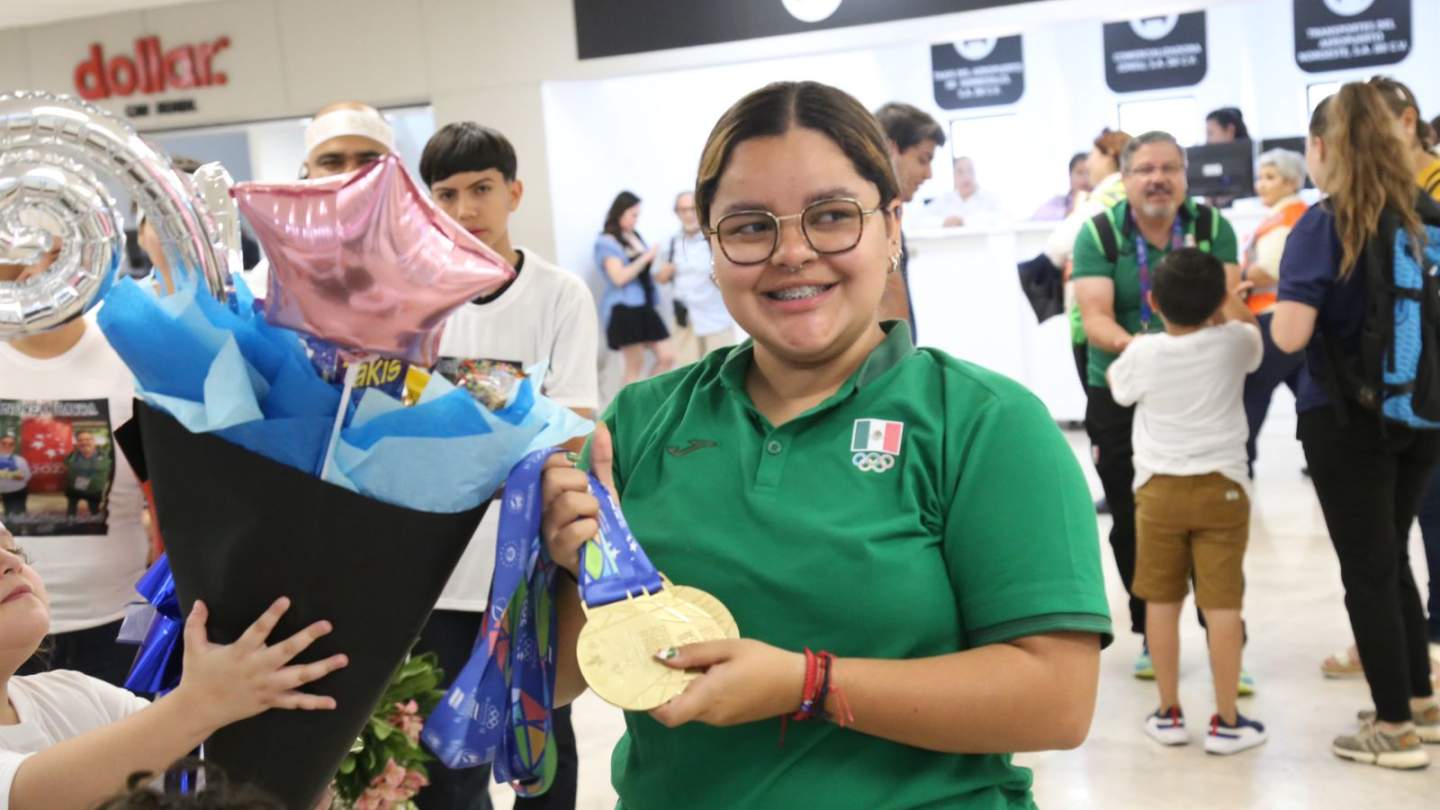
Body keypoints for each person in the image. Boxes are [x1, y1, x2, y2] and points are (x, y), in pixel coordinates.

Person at [541, 80, 1110, 808]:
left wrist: (807, 684)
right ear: (710, 248)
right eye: (749, 227)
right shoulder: (644, 421)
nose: (793, 252)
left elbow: (1056, 701)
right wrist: (573, 565)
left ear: (891, 224)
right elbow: (561, 677)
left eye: (832, 216)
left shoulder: (985, 424)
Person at [417, 121, 597, 810]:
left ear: (514, 192)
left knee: (542, 741)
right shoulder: (418, 303)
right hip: (437, 572)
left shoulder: (559, 296)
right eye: (448, 194)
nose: (466, 211)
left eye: (482, 189)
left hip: (529, 571)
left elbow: (570, 432)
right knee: (445, 761)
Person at [1271, 82, 1440, 768]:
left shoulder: (1324, 223)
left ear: (1322, 148)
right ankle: (1420, 701)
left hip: (1345, 422)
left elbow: (1289, 336)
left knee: (1367, 571)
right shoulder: (1426, 217)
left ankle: (1394, 728)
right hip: (1424, 416)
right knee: (1391, 555)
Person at [0, 518, 348, 810]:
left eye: (13, 548)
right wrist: (202, 702)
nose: (10, 562)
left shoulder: (77, 695)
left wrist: (293, 780)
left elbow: (204, 781)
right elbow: (31, 796)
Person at [1073, 131, 1248, 685]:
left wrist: (1176, 358)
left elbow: (1229, 305)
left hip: (1195, 384)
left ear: (1185, 176)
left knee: (1215, 516)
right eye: (1146, 168)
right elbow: (1095, 315)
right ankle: (1151, 633)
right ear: (1124, 179)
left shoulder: (1211, 228)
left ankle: (1227, 641)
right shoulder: (1099, 232)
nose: (1158, 179)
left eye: (1170, 168)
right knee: (1131, 515)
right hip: (1121, 382)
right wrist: (1152, 353)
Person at [1108, 248, 1265, 754]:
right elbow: (1253, 332)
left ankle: (1169, 712)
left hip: (1159, 492)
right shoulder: (1236, 344)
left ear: (1153, 301)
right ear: (1218, 297)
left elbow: (1119, 393)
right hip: (1223, 487)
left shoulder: (1144, 352)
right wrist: (1228, 304)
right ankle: (1226, 721)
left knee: (1161, 600)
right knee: (1222, 604)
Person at [0, 248, 150, 689]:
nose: (36, 267)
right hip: (9, 627)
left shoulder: (130, 352)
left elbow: (168, 502)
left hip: (120, 620)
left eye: (53, 249)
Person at [244, 102, 397, 297]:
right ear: (308, 175)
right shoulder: (274, 279)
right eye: (332, 162)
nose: (351, 174)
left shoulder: (427, 265)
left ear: (394, 171)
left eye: (368, 161)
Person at [1045, 129, 1132, 391]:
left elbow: (1056, 246)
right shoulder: (1130, 192)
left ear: (1110, 156)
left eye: (1093, 155)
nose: (1089, 164)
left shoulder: (1104, 198)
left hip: (1098, 313)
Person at [1240, 149, 1310, 469]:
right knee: (1308, 394)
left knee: (1253, 392)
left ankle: (1243, 459)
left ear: (1292, 181)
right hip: (1292, 317)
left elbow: (1270, 268)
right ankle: (1321, 456)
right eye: (1260, 177)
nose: (1261, 185)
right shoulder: (1289, 215)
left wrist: (1238, 277)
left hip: (1272, 318)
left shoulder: (1287, 218)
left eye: (1270, 178)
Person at [873, 102, 946, 336]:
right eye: (923, 160)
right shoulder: (874, 219)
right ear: (890, 148)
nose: (928, 174)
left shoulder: (888, 214)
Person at [595, 192, 674, 385]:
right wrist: (646, 257)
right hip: (624, 308)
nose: (635, 220)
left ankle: (648, 398)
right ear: (619, 213)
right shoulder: (606, 241)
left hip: (644, 305)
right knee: (634, 365)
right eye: (633, 215)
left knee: (667, 356)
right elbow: (619, 278)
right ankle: (632, 410)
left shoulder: (634, 236)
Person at [653, 191, 737, 366]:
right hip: (685, 319)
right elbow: (658, 277)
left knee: (721, 368)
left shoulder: (716, 240)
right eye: (683, 210)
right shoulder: (670, 243)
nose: (688, 215)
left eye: (692, 209)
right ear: (676, 213)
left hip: (715, 316)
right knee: (687, 371)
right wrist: (664, 274)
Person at [923, 157, 1004, 228]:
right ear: (954, 176)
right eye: (960, 172)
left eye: (970, 171)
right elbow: (919, 221)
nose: (966, 176)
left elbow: (1003, 220)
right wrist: (944, 222)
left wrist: (964, 222)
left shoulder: (990, 198)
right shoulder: (944, 200)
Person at [1032, 153, 1091, 221]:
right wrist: (1070, 213)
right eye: (1079, 173)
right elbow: (1038, 214)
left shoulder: (1100, 201)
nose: (1084, 178)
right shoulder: (1059, 202)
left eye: (1088, 173)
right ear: (1070, 176)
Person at [0, 436, 29, 518]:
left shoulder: (20, 460)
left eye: (10, 444)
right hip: (3, 493)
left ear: (14, 447)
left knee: (20, 515)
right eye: (4, 443)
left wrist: (6, 474)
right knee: (8, 515)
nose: (7, 446)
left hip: (18, 492)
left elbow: (26, 476)